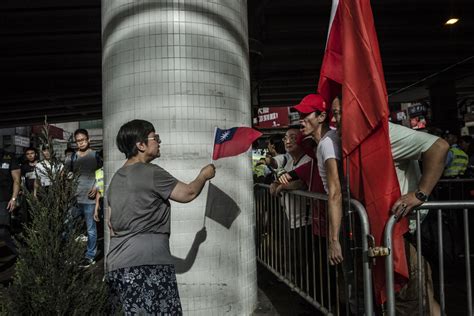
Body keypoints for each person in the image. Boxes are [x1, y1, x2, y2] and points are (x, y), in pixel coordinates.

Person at [106, 119, 215, 315]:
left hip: (117, 265)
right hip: (149, 264)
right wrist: (204, 175)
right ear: (140, 145)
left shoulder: (115, 179)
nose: (159, 141)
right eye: (155, 137)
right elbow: (188, 193)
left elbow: (111, 225)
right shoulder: (152, 172)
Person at [281, 94, 344, 266]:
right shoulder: (324, 142)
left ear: (322, 117)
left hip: (343, 224)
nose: (301, 121)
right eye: (300, 116)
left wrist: (334, 240)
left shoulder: (327, 144)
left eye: (306, 116)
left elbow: (335, 192)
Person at [68, 129, 103, 267]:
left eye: (83, 139)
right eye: (78, 140)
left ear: (88, 140)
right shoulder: (73, 157)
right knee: (70, 227)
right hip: (75, 199)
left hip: (89, 201)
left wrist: (95, 187)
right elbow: (69, 174)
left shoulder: (96, 155)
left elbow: (102, 173)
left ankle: (90, 256)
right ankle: (73, 254)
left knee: (91, 229)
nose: (81, 142)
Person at [0, 148, 21, 256]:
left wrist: (13, 198)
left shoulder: (9, 157)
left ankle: (22, 254)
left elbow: (16, 180)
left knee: (3, 231)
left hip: (4, 200)